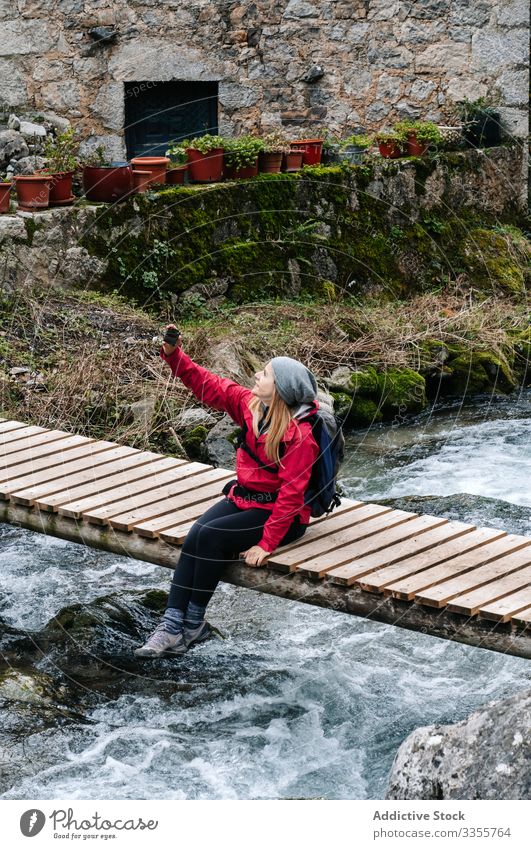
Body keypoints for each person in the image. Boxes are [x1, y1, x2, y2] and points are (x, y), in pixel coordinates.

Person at [135, 324, 320, 658]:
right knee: (196, 534)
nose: (255, 377)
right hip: (246, 498)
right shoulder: (250, 406)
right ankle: (170, 624)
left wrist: (266, 544)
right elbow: (208, 385)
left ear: (279, 390)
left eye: (264, 374)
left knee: (211, 537)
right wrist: (174, 355)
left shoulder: (300, 436)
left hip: (285, 517)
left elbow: (293, 495)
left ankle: (191, 625)